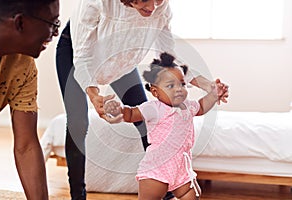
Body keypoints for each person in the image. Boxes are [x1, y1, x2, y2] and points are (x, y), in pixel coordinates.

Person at [55, 0, 228, 199]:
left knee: (147, 121)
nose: (153, 7)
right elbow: (83, 58)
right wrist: (94, 95)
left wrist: (208, 85)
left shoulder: (161, 7)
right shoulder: (97, 2)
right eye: (146, 0)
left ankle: (165, 190)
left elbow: (168, 58)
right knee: (78, 122)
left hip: (122, 60)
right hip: (77, 54)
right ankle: (78, 195)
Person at [104, 52, 226, 200]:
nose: (178, 89)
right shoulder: (153, 108)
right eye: (170, 85)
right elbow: (130, 114)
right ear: (155, 91)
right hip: (157, 169)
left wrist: (214, 94)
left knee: (193, 195)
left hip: (181, 169)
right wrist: (118, 110)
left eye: (182, 84)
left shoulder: (187, 106)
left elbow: (201, 106)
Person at [0, 0, 60, 199]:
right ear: (20, 23)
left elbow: (26, 145)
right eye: (52, 23)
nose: (55, 33)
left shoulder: (23, 65)